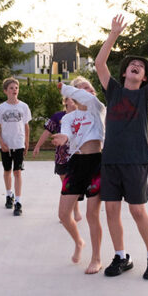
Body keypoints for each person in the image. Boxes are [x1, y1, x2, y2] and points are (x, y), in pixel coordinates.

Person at [94, 14, 148, 280]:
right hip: (111, 159)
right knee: (112, 210)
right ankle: (121, 256)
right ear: (124, 73)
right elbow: (100, 63)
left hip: (136, 159)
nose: (136, 66)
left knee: (137, 210)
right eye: (131, 65)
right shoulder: (113, 90)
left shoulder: (144, 95)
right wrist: (113, 34)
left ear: (143, 77)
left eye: (140, 66)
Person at [51, 76, 105, 274]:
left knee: (92, 214)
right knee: (64, 214)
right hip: (75, 163)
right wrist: (63, 138)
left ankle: (96, 258)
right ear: (72, 98)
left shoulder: (97, 109)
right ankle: (78, 242)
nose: (87, 92)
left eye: (89, 88)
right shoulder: (68, 118)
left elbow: (87, 98)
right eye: (81, 89)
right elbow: (66, 134)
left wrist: (64, 87)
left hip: (96, 163)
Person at [32, 97, 82, 222]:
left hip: (77, 155)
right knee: (66, 184)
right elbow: (47, 132)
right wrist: (38, 146)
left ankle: (75, 211)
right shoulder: (58, 116)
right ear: (65, 102)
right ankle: (69, 212)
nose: (74, 101)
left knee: (74, 183)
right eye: (71, 99)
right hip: (62, 156)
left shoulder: (81, 116)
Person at [0, 77, 32, 216]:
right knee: (7, 171)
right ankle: (9, 195)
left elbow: (26, 126)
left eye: (16, 88)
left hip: (19, 143)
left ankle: (18, 201)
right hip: (6, 145)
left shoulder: (24, 106)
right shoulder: (1, 108)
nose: (14, 90)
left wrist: (27, 142)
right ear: (5, 91)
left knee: (18, 172)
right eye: (11, 88)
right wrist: (1, 142)